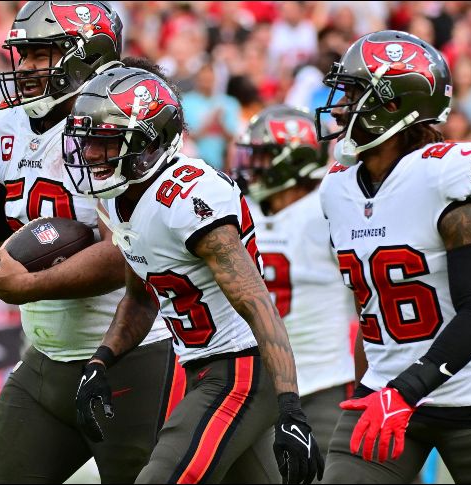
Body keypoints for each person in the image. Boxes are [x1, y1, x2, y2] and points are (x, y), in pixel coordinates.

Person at [0, 3, 180, 483]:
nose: (24, 67)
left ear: (85, 57)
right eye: (22, 54)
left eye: (40, 54)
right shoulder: (11, 123)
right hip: (46, 358)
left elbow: (126, 254)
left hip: (131, 358)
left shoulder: (120, 124)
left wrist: (29, 285)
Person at [65, 66, 323, 484]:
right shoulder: (119, 198)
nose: (91, 154)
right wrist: (100, 361)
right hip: (200, 367)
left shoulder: (189, 198)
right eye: (89, 140)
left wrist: (291, 406)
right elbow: (141, 298)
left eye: (105, 140)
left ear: (149, 143)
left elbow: (257, 303)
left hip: (240, 368)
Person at [314, 30, 471, 483]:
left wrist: (406, 390)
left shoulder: (448, 172)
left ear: (392, 105)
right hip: (383, 393)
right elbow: (370, 308)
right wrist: (369, 389)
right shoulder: (337, 187)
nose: (337, 108)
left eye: (352, 95)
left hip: (466, 395)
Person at [235, 104, 356, 454]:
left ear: (293, 160)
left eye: (262, 156)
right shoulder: (240, 208)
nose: (251, 165)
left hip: (322, 380)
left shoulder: (328, 209)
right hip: (255, 383)